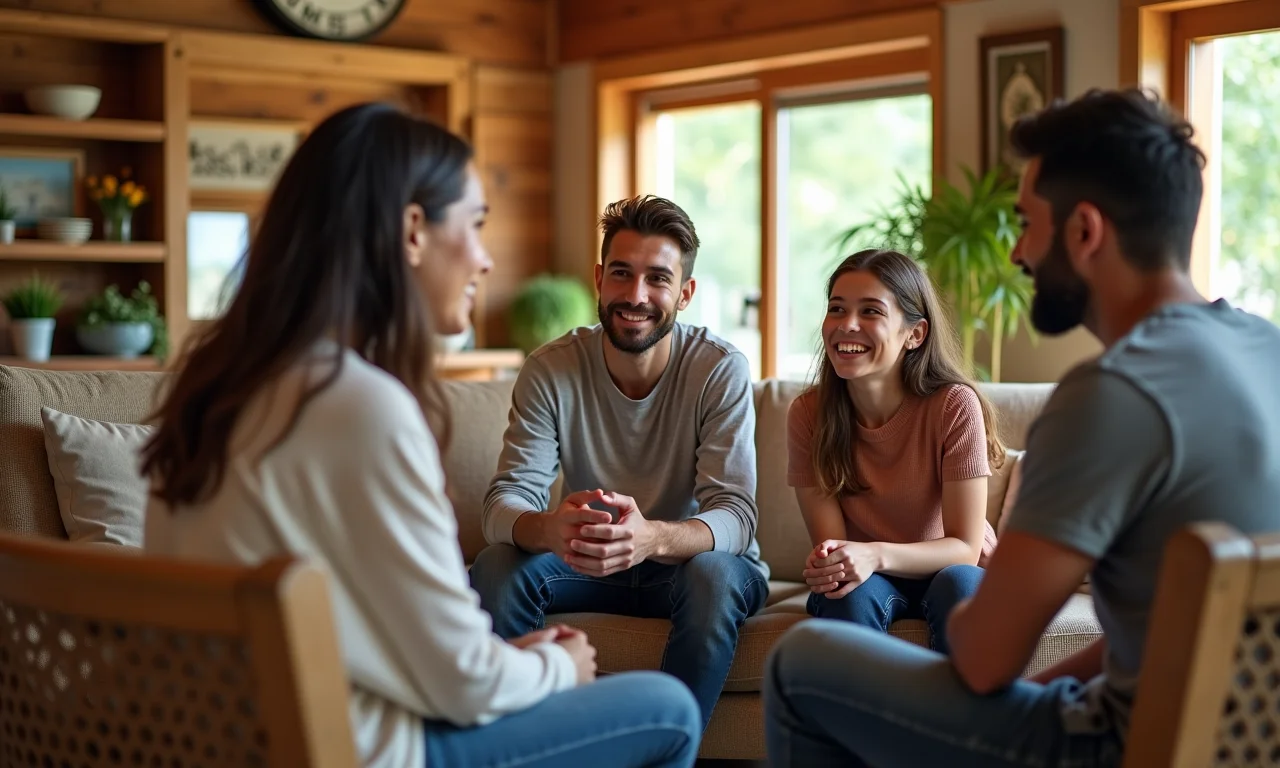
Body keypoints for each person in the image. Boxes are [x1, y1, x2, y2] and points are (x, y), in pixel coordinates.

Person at [139, 103, 701, 768]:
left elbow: (391, 638)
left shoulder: (217, 388)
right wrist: (556, 667)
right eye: (476, 224)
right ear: (412, 231)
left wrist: (499, 660)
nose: (487, 260)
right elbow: (462, 684)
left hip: (235, 739)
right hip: (362, 749)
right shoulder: (360, 406)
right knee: (670, 710)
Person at [763, 87, 1280, 767]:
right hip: (1238, 743)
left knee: (799, 663)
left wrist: (978, 554)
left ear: (1085, 231)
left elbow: (981, 661)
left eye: (1027, 223)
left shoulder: (1109, 394)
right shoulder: (1265, 349)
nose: (1017, 255)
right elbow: (1159, 633)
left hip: (1112, 747)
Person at [469, 194, 768, 731]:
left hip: (688, 567)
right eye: (622, 274)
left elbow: (737, 517)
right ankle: (522, 747)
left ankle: (664, 751)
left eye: (658, 278)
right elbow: (501, 506)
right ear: (599, 279)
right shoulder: (550, 369)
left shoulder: (719, 368)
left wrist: (651, 537)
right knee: (496, 564)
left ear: (685, 293)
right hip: (589, 563)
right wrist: (549, 527)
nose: (636, 295)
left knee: (716, 576)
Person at [786, 248, 1003, 654]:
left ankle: (951, 718)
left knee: (962, 583)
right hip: (866, 581)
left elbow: (965, 547)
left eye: (871, 312)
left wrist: (874, 554)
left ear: (914, 334)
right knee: (846, 593)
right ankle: (865, 717)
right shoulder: (808, 414)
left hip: (947, 569)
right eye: (837, 309)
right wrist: (837, 561)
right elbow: (835, 550)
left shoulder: (953, 405)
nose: (847, 326)